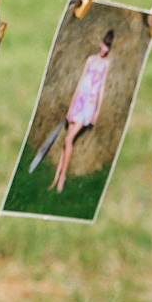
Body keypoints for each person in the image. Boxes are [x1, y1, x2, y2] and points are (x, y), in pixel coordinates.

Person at [52, 31, 116, 193]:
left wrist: (97, 111)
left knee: (68, 139)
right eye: (104, 44)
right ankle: (56, 177)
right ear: (100, 42)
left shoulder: (106, 64)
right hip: (79, 100)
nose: (104, 48)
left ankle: (62, 177)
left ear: (109, 48)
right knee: (67, 141)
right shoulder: (90, 59)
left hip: (89, 104)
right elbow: (81, 80)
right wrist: (71, 104)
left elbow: (101, 87)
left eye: (108, 46)